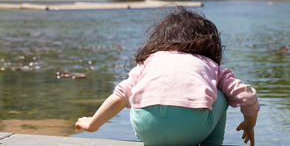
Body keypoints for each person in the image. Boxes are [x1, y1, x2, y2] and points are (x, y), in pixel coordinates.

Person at [75, 8, 259, 146]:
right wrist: (249, 123)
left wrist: (92, 123)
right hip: (192, 130)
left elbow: (120, 95)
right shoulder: (209, 65)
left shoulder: (150, 61)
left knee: (135, 91)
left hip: (147, 130)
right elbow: (246, 95)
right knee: (222, 93)